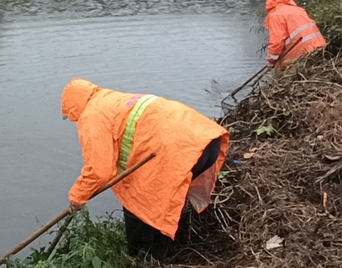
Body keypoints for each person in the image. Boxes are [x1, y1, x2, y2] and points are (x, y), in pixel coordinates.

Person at [61, 78, 230, 258]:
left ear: (73, 107)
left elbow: (99, 170)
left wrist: (77, 197)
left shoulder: (91, 115)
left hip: (184, 154)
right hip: (207, 142)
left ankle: (144, 260)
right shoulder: (111, 99)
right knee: (158, 197)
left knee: (137, 202)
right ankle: (165, 251)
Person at [265, 0, 326, 67]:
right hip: (319, 47)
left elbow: (276, 41)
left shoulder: (275, 15)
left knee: (284, 73)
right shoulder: (298, 10)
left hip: (300, 53)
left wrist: (271, 60)